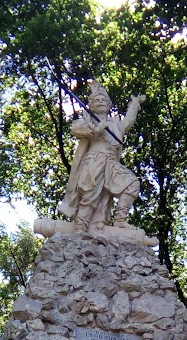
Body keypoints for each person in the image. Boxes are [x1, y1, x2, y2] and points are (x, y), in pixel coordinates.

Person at [58, 81, 145, 232]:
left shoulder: (115, 123)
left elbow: (128, 122)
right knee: (90, 193)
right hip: (94, 160)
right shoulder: (88, 120)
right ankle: (81, 226)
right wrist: (95, 130)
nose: (101, 102)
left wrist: (134, 104)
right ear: (91, 105)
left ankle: (120, 220)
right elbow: (76, 128)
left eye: (104, 100)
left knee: (131, 182)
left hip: (111, 163)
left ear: (109, 104)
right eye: (97, 100)